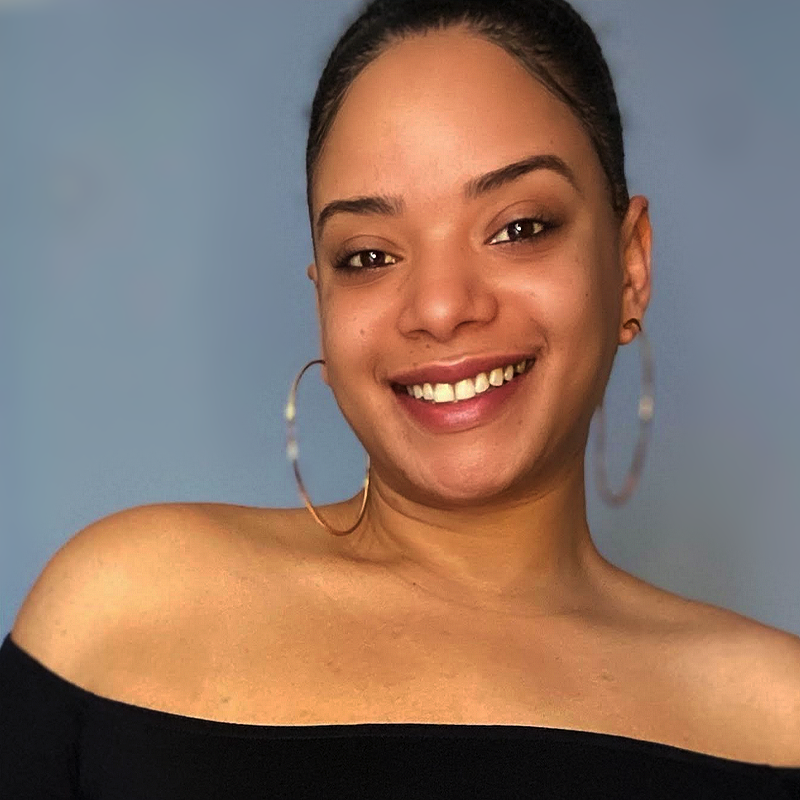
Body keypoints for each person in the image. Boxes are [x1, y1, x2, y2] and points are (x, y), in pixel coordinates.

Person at [2, 0, 799, 796]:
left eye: (518, 227)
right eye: (370, 254)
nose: (441, 306)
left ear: (629, 265)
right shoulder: (125, 613)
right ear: (322, 301)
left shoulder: (775, 719)